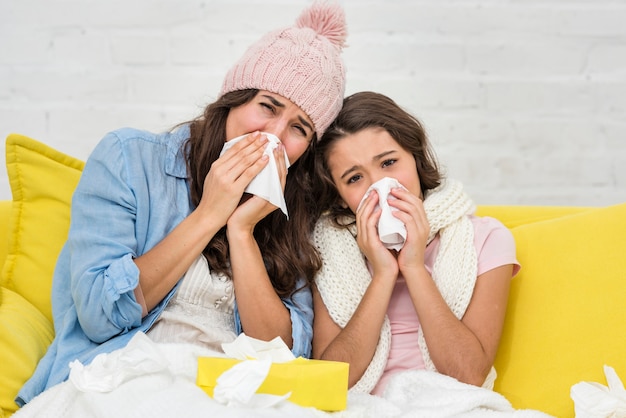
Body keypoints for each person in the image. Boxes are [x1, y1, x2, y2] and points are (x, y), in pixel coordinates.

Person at [16, 1, 347, 407]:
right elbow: (99, 317)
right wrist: (210, 214)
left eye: (299, 128)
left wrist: (241, 232)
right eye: (267, 106)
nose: (273, 135)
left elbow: (284, 355)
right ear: (234, 98)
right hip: (122, 378)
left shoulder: (292, 209)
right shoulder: (128, 159)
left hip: (232, 391)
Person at [310, 91, 520, 396]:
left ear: (416, 157)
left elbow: (469, 374)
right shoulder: (329, 252)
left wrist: (412, 266)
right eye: (355, 178)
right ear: (340, 197)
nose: (378, 186)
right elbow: (330, 381)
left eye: (389, 163)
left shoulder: (486, 238)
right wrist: (383, 275)